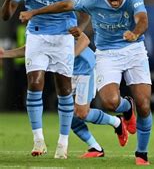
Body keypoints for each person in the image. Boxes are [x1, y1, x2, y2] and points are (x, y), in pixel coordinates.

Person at [19, 0, 153, 166]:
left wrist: (134, 33)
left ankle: (142, 153)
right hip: (107, 54)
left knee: (144, 105)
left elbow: (142, 20)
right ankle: (126, 108)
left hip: (134, 50)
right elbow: (65, 5)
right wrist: (34, 12)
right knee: (110, 103)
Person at [1, 0, 89, 158]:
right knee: (34, 83)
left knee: (64, 89)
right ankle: (38, 140)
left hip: (63, 37)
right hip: (37, 35)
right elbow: (7, 16)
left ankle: (63, 142)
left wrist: (80, 30)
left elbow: (85, 10)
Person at [0, 31, 128, 158]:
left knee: (82, 113)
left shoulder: (63, 21)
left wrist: (68, 57)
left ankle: (117, 122)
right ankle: (95, 147)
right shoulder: (41, 27)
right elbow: (30, 50)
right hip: (66, 73)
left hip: (84, 69)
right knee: (68, 115)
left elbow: (84, 40)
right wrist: (4, 54)